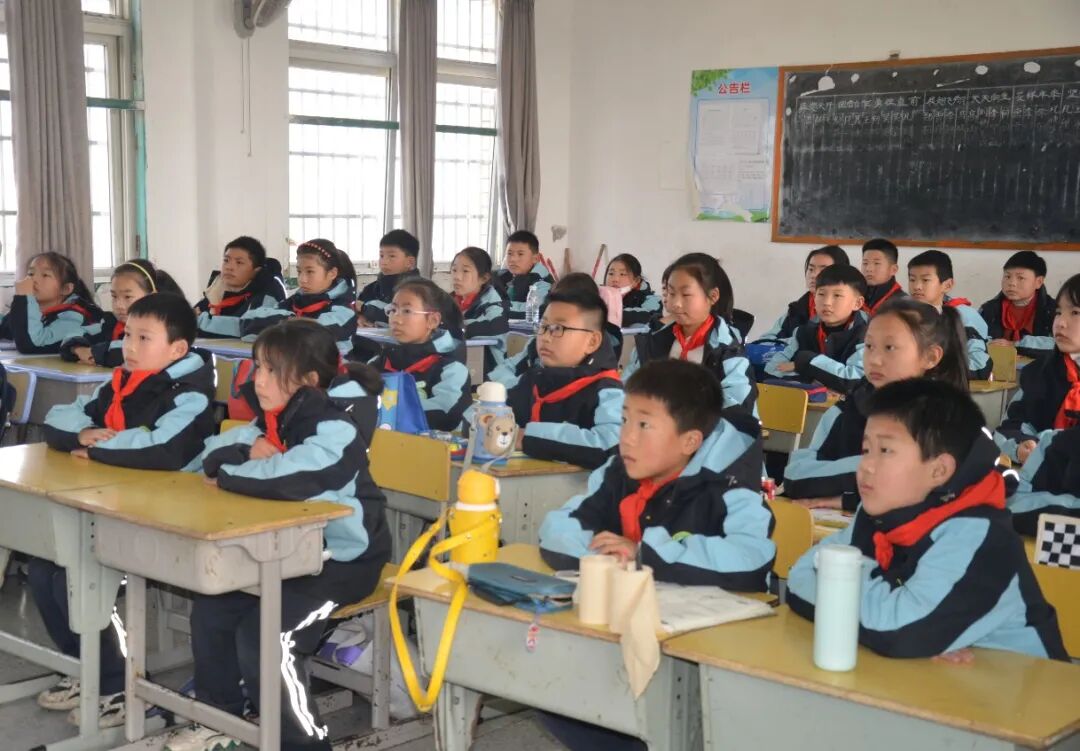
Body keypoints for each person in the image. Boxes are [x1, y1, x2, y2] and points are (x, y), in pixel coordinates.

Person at [172, 319, 391, 751]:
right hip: (280, 556)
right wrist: (244, 452)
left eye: (272, 371)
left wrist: (232, 471)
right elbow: (209, 454)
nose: (258, 380)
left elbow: (287, 478)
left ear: (308, 381)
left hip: (341, 565)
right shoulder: (273, 423)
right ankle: (221, 720)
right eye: (258, 367)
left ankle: (302, 743)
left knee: (269, 636)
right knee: (212, 611)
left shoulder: (337, 429)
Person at [788, 378, 1067, 661]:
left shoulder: (981, 537)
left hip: (1024, 684)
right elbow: (798, 578)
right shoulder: (877, 513)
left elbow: (897, 633)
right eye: (866, 450)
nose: (866, 467)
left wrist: (848, 586)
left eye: (885, 451)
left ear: (939, 470)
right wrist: (899, 622)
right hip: (933, 681)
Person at [36, 293, 215, 729]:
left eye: (143, 338)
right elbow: (58, 417)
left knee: (76, 574)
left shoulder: (190, 394)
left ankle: (119, 683)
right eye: (128, 335)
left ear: (177, 349)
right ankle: (87, 664)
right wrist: (83, 433)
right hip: (117, 501)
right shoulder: (120, 382)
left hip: (172, 514)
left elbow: (164, 448)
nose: (129, 347)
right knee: (45, 567)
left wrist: (101, 447)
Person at [240, 238, 357, 354]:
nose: (302, 279)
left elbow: (315, 334)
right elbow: (248, 322)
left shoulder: (344, 310)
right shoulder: (295, 301)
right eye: (299, 271)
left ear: (332, 273)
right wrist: (290, 320)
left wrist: (284, 323)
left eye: (310, 272)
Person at [61, 260, 184, 367]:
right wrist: (77, 349)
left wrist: (93, 353)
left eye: (127, 297)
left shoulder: (161, 329)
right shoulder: (108, 323)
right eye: (114, 296)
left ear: (151, 297)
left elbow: (130, 350)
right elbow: (71, 336)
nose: (119, 305)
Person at [0, 252, 102, 354]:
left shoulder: (74, 317)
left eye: (45, 275)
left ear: (65, 289)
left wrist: (23, 297)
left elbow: (31, 345)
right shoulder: (33, 310)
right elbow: (5, 328)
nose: (33, 279)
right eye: (31, 274)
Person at [194, 236, 287, 338]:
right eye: (226, 260)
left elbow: (250, 327)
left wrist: (201, 322)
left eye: (239, 262)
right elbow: (191, 317)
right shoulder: (218, 288)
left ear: (256, 271)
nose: (229, 267)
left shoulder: (269, 292)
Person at [356, 229, 421, 327]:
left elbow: (404, 317)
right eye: (381, 255)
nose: (384, 261)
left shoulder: (418, 291)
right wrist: (360, 317)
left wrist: (365, 309)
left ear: (410, 262)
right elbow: (355, 307)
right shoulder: (371, 289)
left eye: (392, 256)